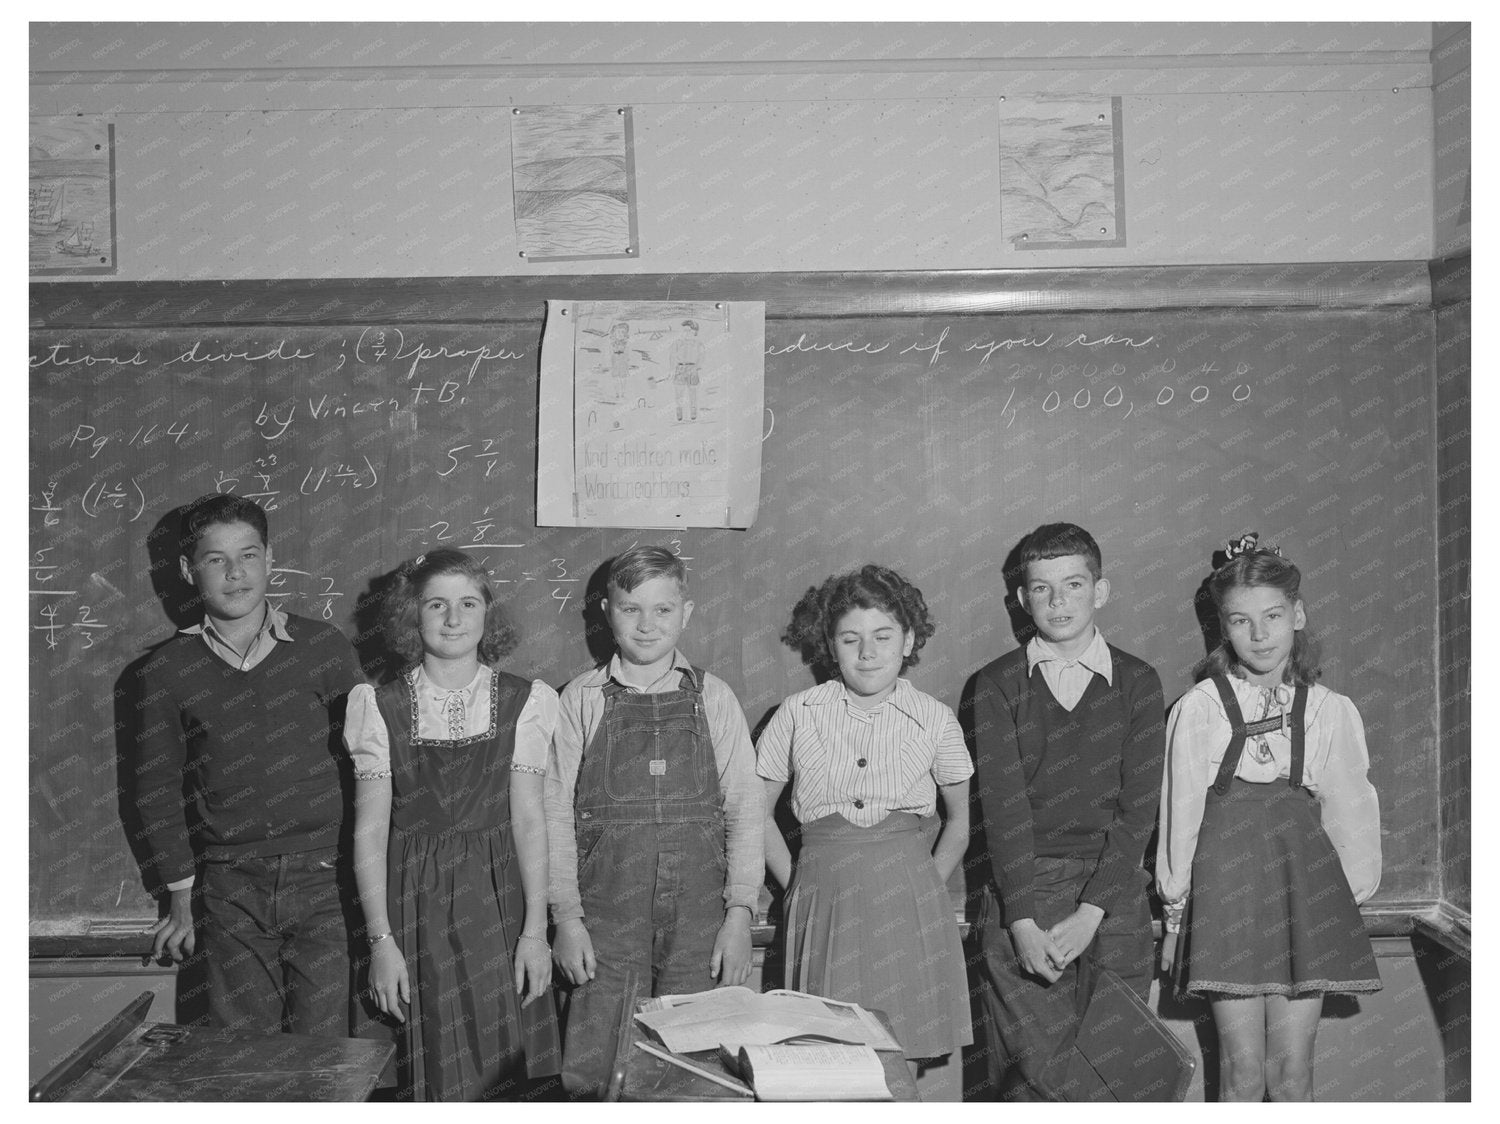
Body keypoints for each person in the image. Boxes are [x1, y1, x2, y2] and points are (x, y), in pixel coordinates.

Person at [1156, 533, 1381, 1102]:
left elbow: (1352, 808)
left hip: (1302, 889)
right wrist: (1175, 903)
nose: (1259, 635)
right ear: (1223, 628)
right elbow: (1179, 810)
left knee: (1293, 1075)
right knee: (1242, 1073)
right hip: (1226, 891)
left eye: (1273, 616)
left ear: (1297, 615)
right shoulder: (1201, 708)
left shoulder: (1330, 710)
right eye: (1240, 621)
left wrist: (1339, 902)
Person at [132, 493, 364, 1036]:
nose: (236, 574)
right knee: (238, 1059)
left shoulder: (322, 648)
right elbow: (155, 791)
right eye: (216, 560)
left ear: (269, 559)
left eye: (249, 555)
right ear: (190, 571)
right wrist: (180, 893)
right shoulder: (165, 673)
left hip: (326, 878)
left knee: (325, 1054)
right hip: (229, 888)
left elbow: (371, 767)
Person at [545, 545, 765, 1097]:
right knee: (602, 1067)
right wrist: (567, 919)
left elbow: (744, 809)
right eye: (630, 609)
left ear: (685, 614)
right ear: (605, 612)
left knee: (701, 1067)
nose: (647, 625)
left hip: (701, 921)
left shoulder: (714, 698)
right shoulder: (580, 699)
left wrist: (740, 914)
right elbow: (552, 818)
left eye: (662, 610)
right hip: (605, 919)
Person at [343, 548, 561, 1100]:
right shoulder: (378, 705)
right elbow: (368, 832)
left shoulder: (525, 700)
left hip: (500, 901)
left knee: (501, 1065)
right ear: (411, 616)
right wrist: (381, 941)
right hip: (414, 905)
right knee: (433, 1065)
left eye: (468, 603)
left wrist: (536, 931)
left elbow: (531, 820)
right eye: (436, 604)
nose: (453, 618)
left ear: (489, 613)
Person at [758, 564, 974, 1101]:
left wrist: (926, 881)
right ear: (831, 646)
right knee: (831, 1060)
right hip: (823, 899)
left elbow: (960, 822)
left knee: (908, 1059)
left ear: (909, 640)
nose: (868, 652)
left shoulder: (935, 718)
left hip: (910, 900)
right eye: (851, 639)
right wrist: (798, 885)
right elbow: (754, 814)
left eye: (883, 636)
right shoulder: (797, 713)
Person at [970, 522, 1165, 1100]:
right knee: (1035, 1080)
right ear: (1021, 599)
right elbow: (1003, 813)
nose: (1058, 602)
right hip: (1025, 892)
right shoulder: (998, 684)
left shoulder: (1137, 682)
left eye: (1074, 585)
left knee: (1118, 1074)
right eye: (1041, 588)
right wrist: (1022, 920)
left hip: (1113, 896)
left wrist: (1092, 913)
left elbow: (1138, 813)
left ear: (1099, 592)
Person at [669, 319, 703, 421]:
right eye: (684, 330)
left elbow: (702, 356)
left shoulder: (698, 344)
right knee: (679, 393)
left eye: (689, 331)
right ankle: (679, 415)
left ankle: (693, 414)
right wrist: (672, 370)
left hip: (692, 369)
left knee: (692, 392)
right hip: (680, 368)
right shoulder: (677, 343)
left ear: (695, 332)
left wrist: (697, 367)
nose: (686, 333)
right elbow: (672, 357)